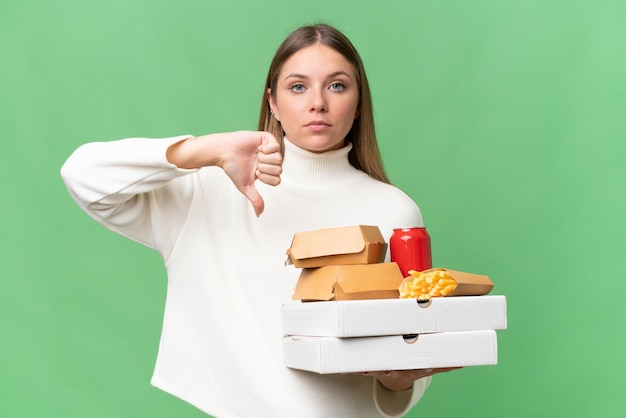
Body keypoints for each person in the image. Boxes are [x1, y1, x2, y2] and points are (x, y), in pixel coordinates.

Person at [61, 23, 457, 418]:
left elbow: (413, 337)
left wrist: (401, 379)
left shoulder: (395, 211)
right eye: (298, 87)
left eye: (337, 86)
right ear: (272, 102)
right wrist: (206, 149)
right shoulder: (209, 190)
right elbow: (82, 174)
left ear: (358, 103)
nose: (317, 102)